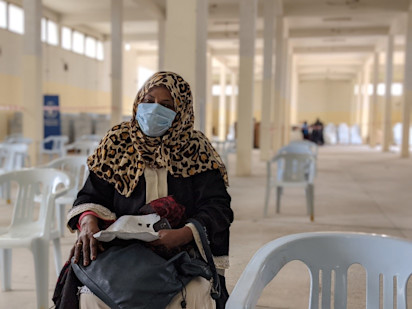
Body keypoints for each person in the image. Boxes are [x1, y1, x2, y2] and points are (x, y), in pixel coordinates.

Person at [54, 71, 233, 309]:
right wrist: (87, 221)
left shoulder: (197, 150)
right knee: (92, 294)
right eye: (148, 101)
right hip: (122, 253)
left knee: (194, 291)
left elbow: (218, 207)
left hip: (182, 252)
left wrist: (185, 233)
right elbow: (91, 195)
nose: (154, 109)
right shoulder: (117, 143)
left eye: (166, 105)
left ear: (181, 110)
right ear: (139, 102)